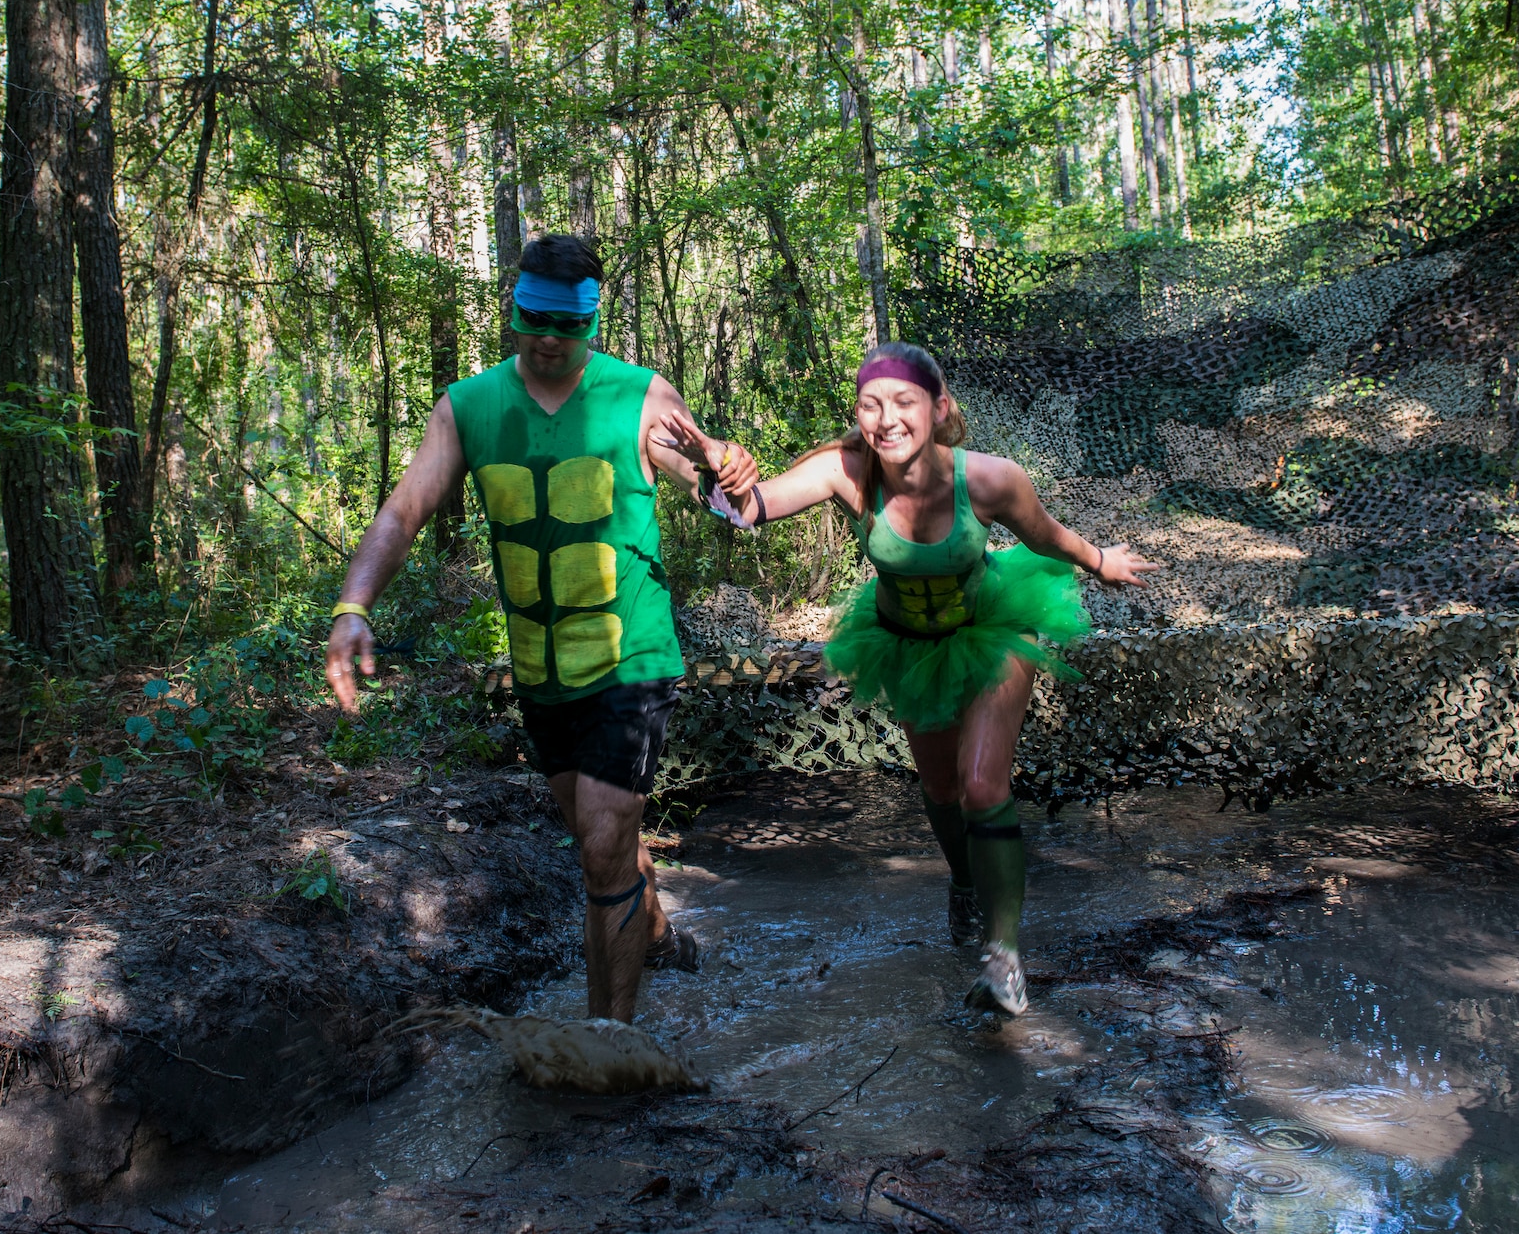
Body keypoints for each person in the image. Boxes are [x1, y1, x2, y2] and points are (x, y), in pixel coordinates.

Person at [325, 234, 759, 1023]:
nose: (550, 339)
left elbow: (710, 487)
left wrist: (724, 469)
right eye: (535, 319)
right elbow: (404, 510)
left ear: (591, 320)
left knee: (601, 850)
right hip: (543, 672)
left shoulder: (641, 397)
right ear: (514, 309)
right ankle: (657, 935)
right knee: (604, 844)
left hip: (633, 659)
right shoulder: (468, 407)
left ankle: (606, 1043)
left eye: (569, 324)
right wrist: (354, 606)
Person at [660, 341, 1157, 1015]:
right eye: (871, 405)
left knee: (982, 784)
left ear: (939, 408)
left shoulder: (990, 479)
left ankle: (1004, 959)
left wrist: (1099, 560)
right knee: (942, 789)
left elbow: (1043, 536)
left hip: (993, 629)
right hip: (907, 643)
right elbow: (751, 509)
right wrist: (719, 469)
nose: (886, 419)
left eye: (903, 402)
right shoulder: (848, 471)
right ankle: (964, 881)